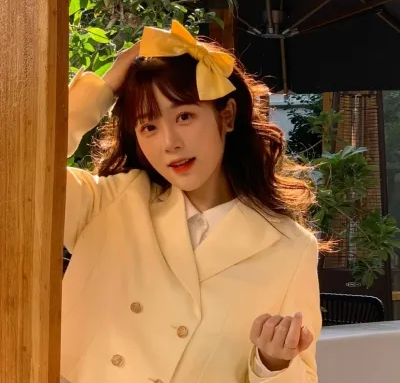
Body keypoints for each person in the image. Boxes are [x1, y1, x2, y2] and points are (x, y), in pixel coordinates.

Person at [62, 20, 321, 383]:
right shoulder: (108, 202)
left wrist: (272, 365)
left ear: (226, 116)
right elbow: (14, 167)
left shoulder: (288, 248)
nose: (170, 142)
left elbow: (304, 375)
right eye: (149, 126)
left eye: (184, 116)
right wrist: (100, 92)